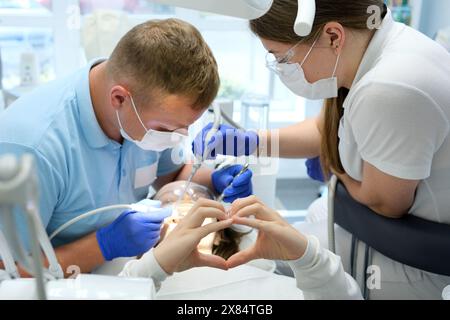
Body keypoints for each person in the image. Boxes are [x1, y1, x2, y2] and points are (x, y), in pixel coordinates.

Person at [193, 0, 450, 299]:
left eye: (282, 57)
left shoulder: (391, 87)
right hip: (365, 230)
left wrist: (334, 169)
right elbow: (324, 129)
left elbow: (386, 203)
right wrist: (252, 140)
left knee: (255, 272)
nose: (282, 68)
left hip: (408, 264)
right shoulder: (372, 46)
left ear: (332, 36)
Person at [0, 19, 253, 277]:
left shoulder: (144, 110)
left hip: (118, 275)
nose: (177, 138)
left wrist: (213, 180)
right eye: (167, 129)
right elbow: (7, 271)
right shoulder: (32, 147)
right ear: (119, 98)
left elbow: (172, 176)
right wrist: (103, 245)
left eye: (185, 128)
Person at [119, 197, 362, 300]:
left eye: (191, 213)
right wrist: (149, 269)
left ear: (218, 234)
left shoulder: (276, 282)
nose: (180, 219)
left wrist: (311, 260)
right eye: (172, 218)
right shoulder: (140, 286)